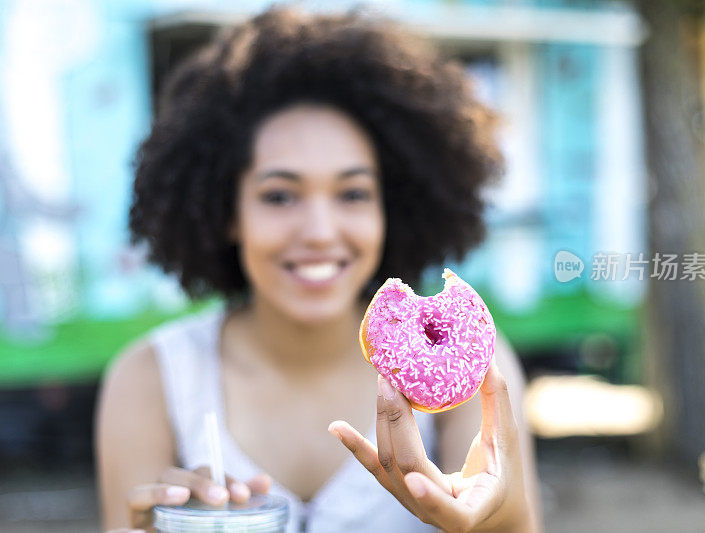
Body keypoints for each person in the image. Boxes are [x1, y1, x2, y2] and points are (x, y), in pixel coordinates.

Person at [96, 6, 541, 533]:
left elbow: (514, 522)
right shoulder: (151, 379)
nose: (320, 231)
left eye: (353, 193)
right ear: (227, 212)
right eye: (280, 195)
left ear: (390, 208)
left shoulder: (473, 376)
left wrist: (495, 516)